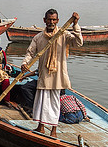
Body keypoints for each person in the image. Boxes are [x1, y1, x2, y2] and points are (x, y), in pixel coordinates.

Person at [21, 9, 82, 137]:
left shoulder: (63, 34)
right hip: (44, 74)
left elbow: (78, 42)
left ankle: (53, 131)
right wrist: (25, 64)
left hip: (57, 75)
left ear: (58, 21)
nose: (51, 22)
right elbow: (30, 53)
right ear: (45, 20)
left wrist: (75, 25)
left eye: (54, 20)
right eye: (49, 19)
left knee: (54, 103)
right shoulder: (38, 37)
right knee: (41, 101)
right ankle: (40, 127)